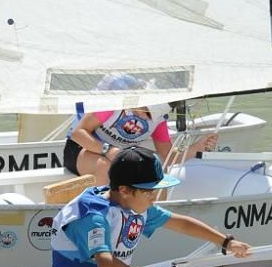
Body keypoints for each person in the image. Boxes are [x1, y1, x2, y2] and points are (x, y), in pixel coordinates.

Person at [51, 146, 251, 267]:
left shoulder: (136, 206)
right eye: (149, 192)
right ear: (125, 190)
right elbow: (106, 263)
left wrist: (225, 242)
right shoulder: (94, 217)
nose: (154, 197)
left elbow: (180, 223)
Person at [62, 73, 216, 185]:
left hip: (120, 156)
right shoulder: (114, 102)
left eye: (149, 114)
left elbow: (167, 155)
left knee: (155, 169)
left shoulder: (158, 120)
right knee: (106, 167)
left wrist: (196, 147)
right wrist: (107, 150)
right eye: (143, 108)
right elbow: (78, 133)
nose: (143, 116)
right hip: (82, 148)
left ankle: (152, 219)